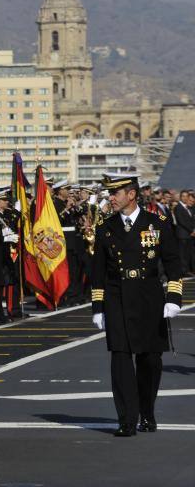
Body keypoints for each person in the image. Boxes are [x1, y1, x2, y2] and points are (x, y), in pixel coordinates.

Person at [91, 173, 183, 436]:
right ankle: (126, 420)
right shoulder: (106, 227)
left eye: (115, 193)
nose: (111, 198)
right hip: (117, 296)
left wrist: (174, 298)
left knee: (150, 360)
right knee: (120, 358)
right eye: (110, 193)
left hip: (149, 296)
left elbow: (173, 262)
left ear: (131, 194)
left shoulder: (158, 223)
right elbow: (98, 271)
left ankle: (147, 411)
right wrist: (98, 306)